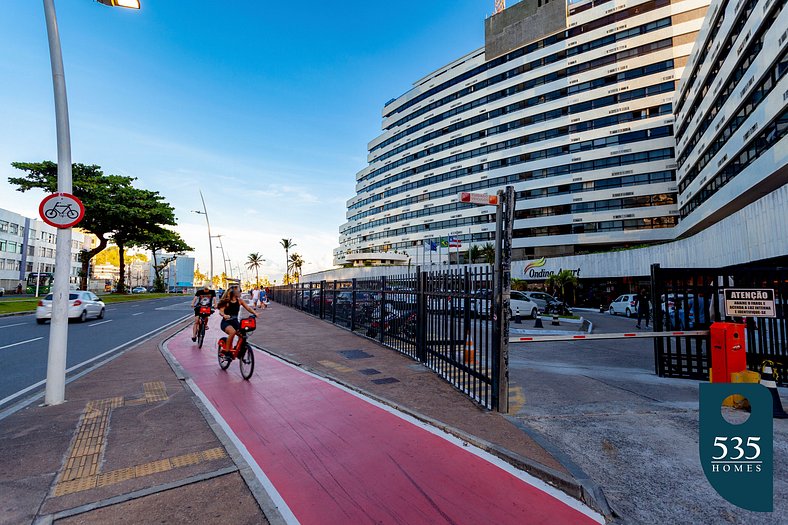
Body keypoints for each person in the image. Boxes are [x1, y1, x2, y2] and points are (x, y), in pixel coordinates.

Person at [218, 287, 259, 353]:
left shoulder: (240, 301)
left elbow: (248, 308)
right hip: (226, 322)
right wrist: (224, 315)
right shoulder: (227, 302)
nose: (240, 293)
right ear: (234, 293)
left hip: (235, 322)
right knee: (232, 332)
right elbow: (221, 311)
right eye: (239, 292)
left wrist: (255, 313)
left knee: (243, 335)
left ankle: (238, 349)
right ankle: (227, 351)